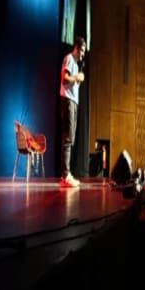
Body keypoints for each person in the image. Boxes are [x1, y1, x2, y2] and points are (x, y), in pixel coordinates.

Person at [60, 36, 86, 187]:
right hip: (68, 100)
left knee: (71, 138)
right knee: (68, 139)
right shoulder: (69, 58)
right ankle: (65, 175)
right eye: (81, 50)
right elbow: (64, 78)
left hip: (73, 102)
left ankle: (66, 174)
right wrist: (77, 77)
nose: (82, 54)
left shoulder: (76, 64)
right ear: (75, 47)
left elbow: (73, 83)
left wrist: (78, 80)